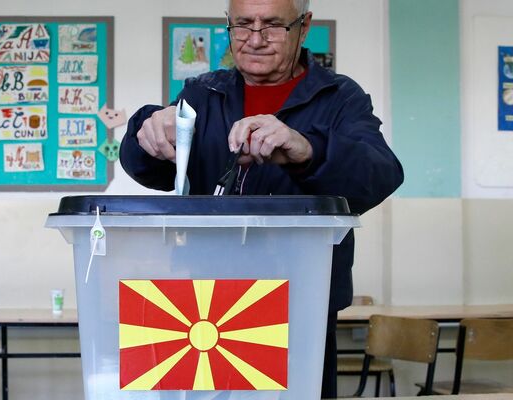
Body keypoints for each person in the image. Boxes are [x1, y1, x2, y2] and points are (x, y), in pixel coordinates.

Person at [120, 0, 404, 397]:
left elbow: (380, 175)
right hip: (202, 304)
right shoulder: (203, 93)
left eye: (272, 25)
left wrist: (307, 149)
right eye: (242, 25)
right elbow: (152, 172)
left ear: (304, 27)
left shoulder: (339, 97)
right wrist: (145, 131)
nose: (255, 39)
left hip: (301, 301)